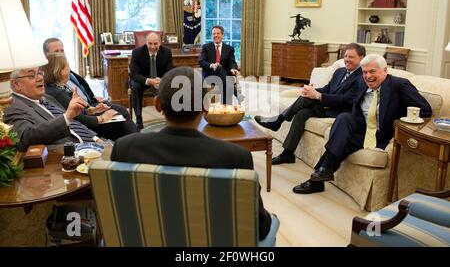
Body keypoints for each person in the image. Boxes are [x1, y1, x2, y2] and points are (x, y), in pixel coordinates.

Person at [111, 67, 276, 240]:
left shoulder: (124, 148)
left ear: (158, 105)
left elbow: (120, 212)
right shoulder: (236, 157)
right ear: (206, 106)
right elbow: (260, 228)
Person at [293, 55, 432, 194]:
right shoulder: (361, 82)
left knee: (343, 144)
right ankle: (323, 172)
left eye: (372, 71)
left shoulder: (399, 85)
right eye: (365, 72)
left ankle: (316, 180)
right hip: (361, 126)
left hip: (381, 132)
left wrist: (399, 132)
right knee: (344, 118)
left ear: (384, 71)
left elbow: (425, 111)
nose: (367, 76)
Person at [255, 43, 366, 165]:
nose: (347, 59)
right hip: (327, 107)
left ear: (361, 58)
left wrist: (318, 95)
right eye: (345, 56)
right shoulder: (339, 71)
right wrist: (312, 91)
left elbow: (346, 100)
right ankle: (287, 153)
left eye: (351, 57)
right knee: (302, 113)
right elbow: (328, 88)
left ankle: (278, 120)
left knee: (307, 99)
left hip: (341, 114)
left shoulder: (363, 76)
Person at [43, 38, 136, 131]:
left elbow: (79, 108)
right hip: (87, 126)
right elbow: (78, 118)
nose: (69, 70)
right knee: (121, 120)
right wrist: (102, 117)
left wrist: (92, 108)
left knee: (121, 111)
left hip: (89, 108)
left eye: (62, 50)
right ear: (59, 71)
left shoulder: (60, 85)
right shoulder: (57, 92)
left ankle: (138, 139)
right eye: (67, 67)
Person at [4, 67, 99, 152]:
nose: (40, 78)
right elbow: (25, 137)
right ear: (16, 84)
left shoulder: (46, 97)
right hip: (68, 155)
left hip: (92, 145)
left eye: (40, 73)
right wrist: (67, 116)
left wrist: (95, 138)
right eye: (32, 75)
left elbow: (73, 123)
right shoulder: (11, 107)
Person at [129, 32, 173, 130]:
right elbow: (134, 74)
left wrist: (162, 80)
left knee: (172, 85)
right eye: (150, 44)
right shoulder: (137, 52)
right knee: (135, 86)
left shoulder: (167, 52)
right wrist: (149, 81)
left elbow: (169, 71)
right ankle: (139, 118)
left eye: (155, 44)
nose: (153, 47)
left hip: (159, 80)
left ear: (160, 43)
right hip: (143, 80)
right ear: (146, 43)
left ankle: (170, 116)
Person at [198, 25, 244, 105]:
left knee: (224, 79)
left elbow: (232, 62)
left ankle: (225, 106)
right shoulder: (206, 47)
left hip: (224, 76)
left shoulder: (229, 48)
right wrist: (211, 65)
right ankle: (236, 94)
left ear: (222, 35)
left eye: (218, 33)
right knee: (219, 69)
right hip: (210, 76)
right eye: (213, 34)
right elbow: (201, 61)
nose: (215, 35)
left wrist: (233, 68)